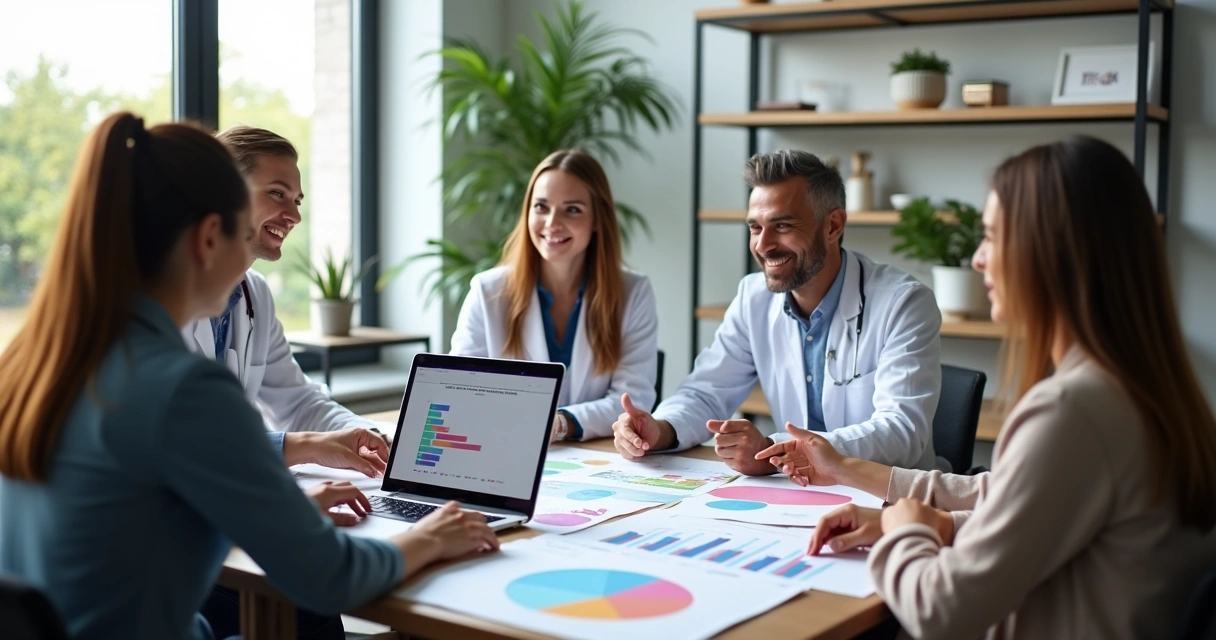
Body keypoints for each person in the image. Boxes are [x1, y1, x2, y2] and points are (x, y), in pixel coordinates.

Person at [0, 112, 498, 640]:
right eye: (243, 230)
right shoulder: (181, 386)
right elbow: (332, 577)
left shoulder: (35, 359)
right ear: (210, 237)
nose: (248, 260)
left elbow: (124, 511)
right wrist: (432, 536)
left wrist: (277, 512)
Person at [758, 136, 1216, 639]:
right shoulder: (1140, 391)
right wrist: (941, 524)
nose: (977, 260)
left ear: (1055, 254)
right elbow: (1008, 498)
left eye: (993, 237)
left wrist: (905, 530)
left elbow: (940, 613)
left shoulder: (1071, 411)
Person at [612, 149, 941, 473]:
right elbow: (705, 393)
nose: (763, 245)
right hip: (796, 497)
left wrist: (776, 449)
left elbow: (901, 433)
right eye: (755, 227)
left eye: (781, 226)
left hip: (885, 498)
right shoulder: (752, 297)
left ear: (833, 226)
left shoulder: (903, 303)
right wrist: (661, 429)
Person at [182, 125, 389, 477]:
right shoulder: (159, 296)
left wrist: (373, 437)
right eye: (277, 194)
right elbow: (182, 441)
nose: (294, 216)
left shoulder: (254, 295)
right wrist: (307, 447)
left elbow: (298, 402)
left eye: (296, 200)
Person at [450, 149, 658, 443]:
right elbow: (461, 390)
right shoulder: (487, 292)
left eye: (572, 209)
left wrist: (561, 423)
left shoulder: (633, 292)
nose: (551, 223)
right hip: (502, 447)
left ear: (598, 219)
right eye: (541, 207)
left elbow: (631, 402)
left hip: (596, 459)